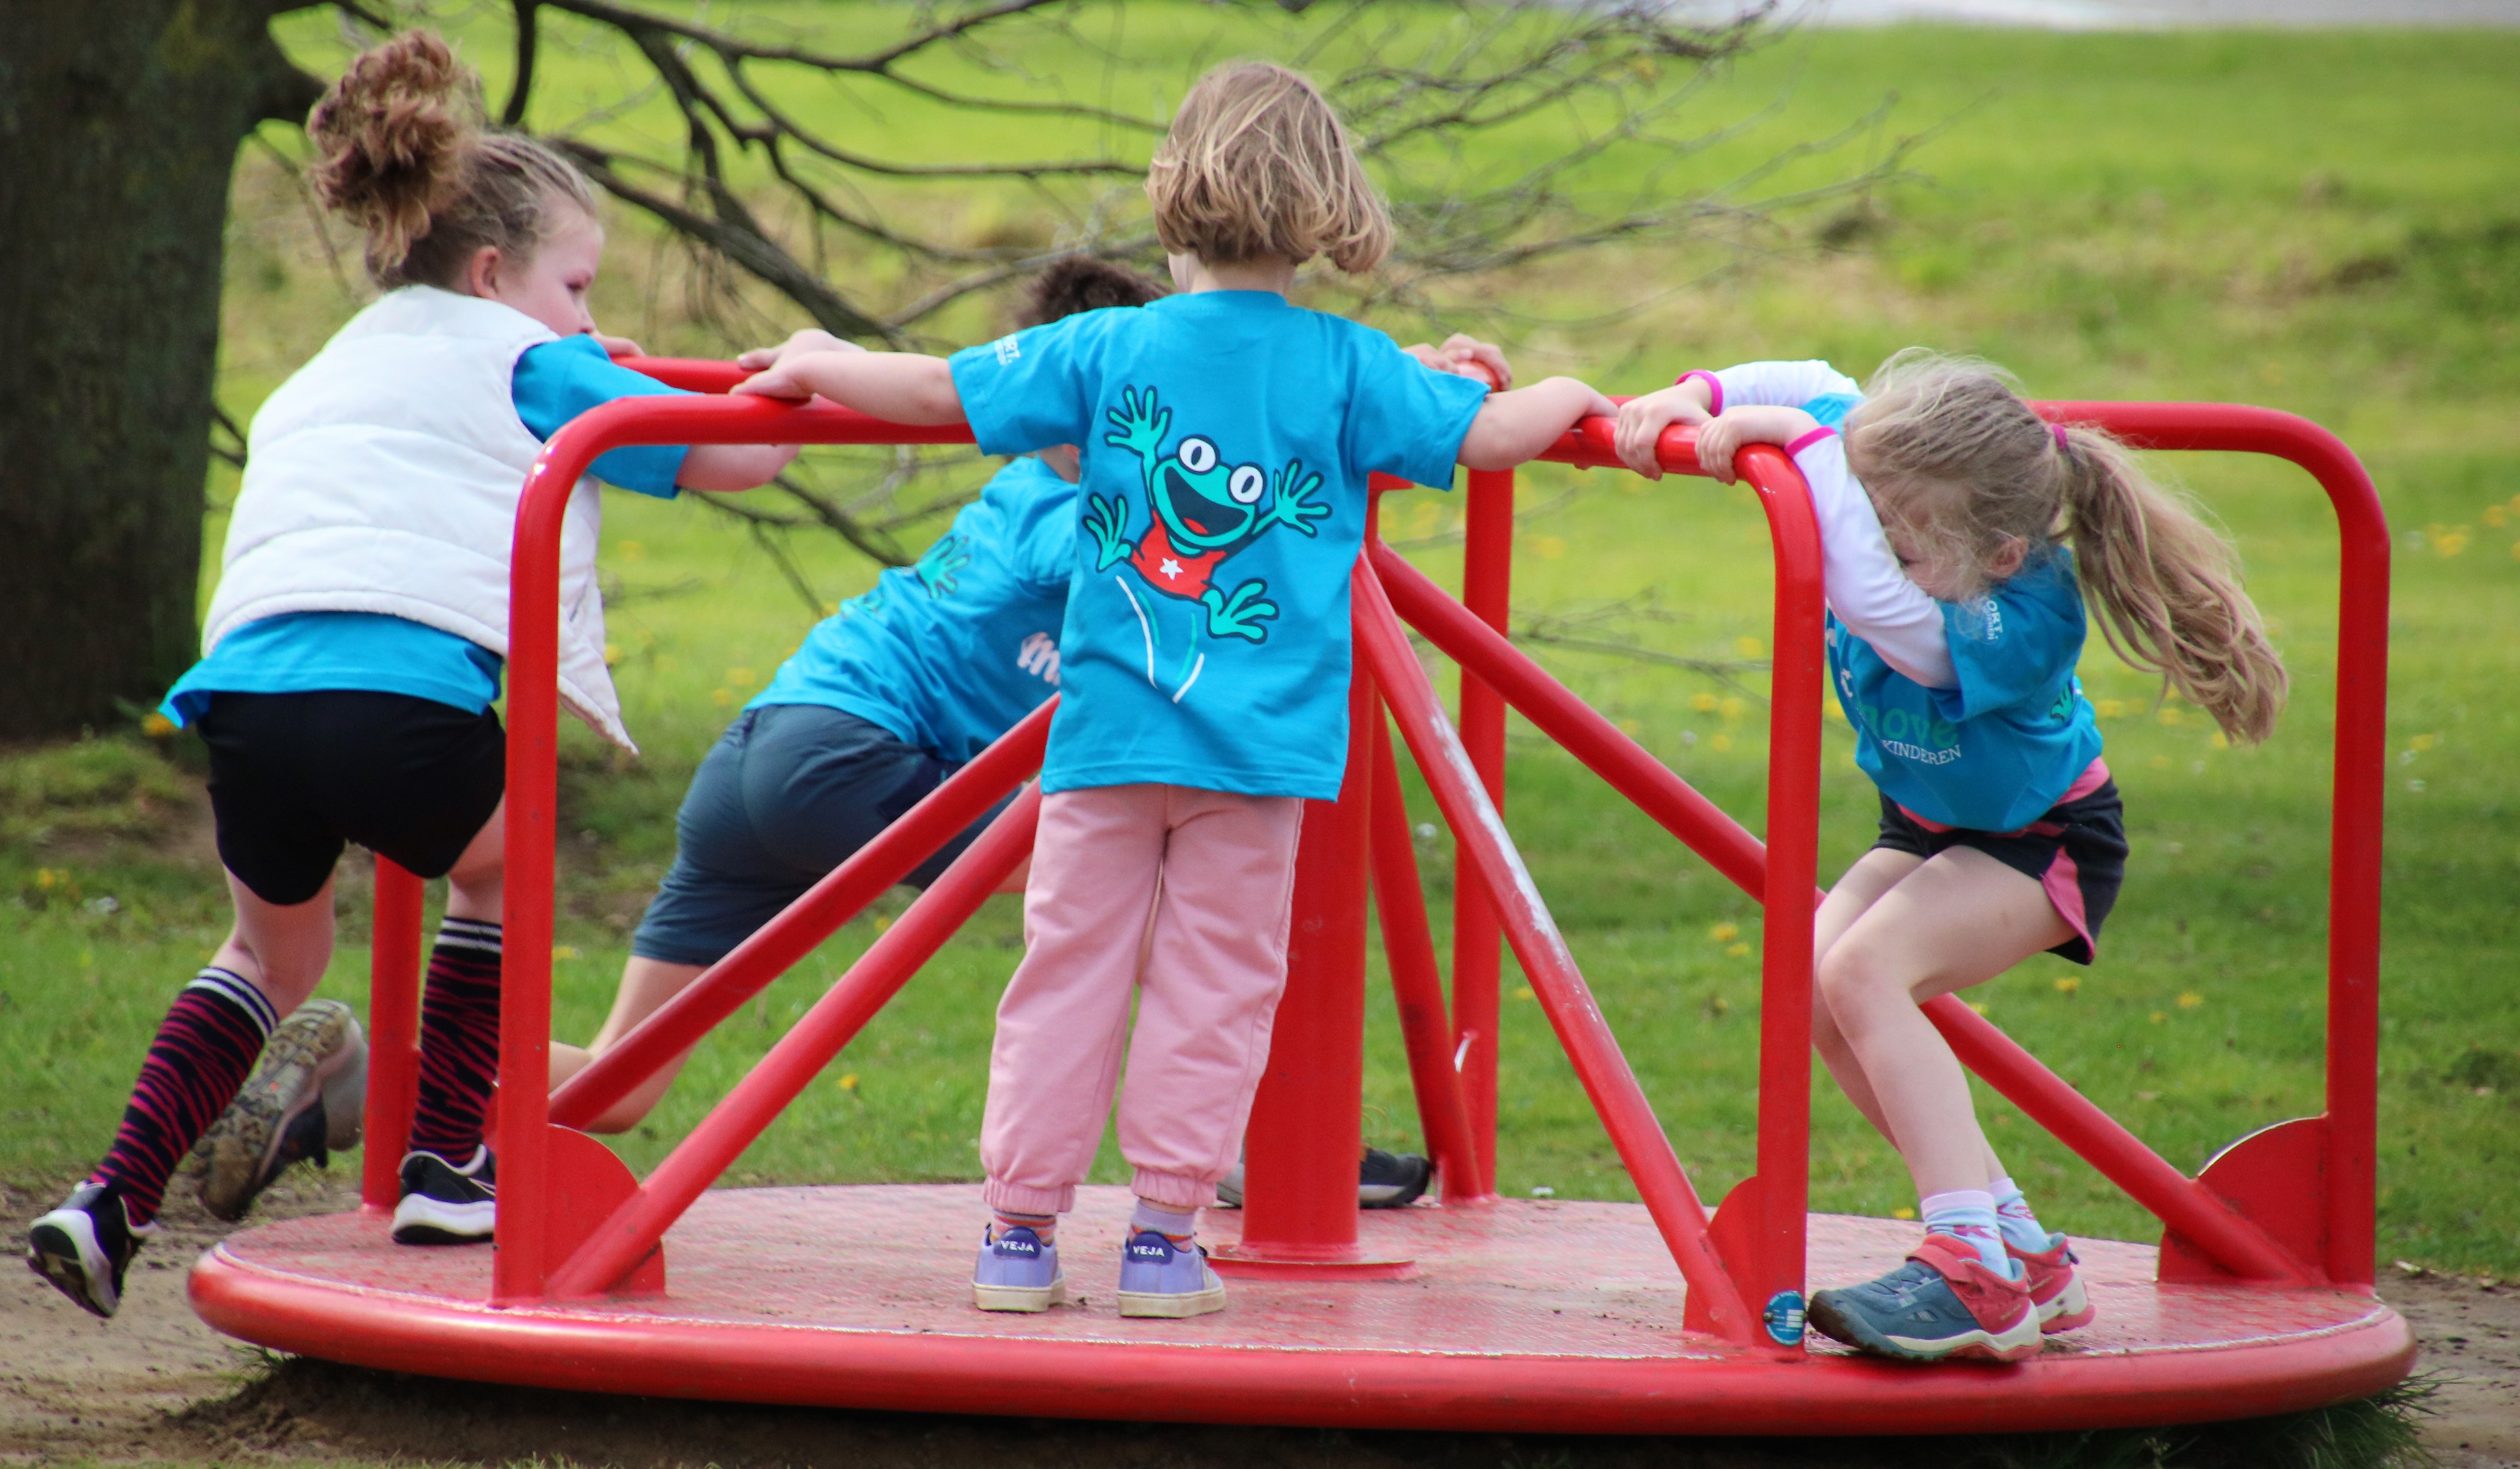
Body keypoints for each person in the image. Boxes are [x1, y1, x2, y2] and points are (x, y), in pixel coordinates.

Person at [736, 60, 1614, 1320]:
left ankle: (1019, 1235)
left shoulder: (1109, 346)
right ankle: (1163, 1237)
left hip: (1106, 740)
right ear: (1322, 208)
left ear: (1172, 190)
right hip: (1256, 765)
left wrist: (823, 358)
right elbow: (1480, 435)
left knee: (1066, 976)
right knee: (1214, 990)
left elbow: (935, 391)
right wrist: (1570, 394)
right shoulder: (1345, 367)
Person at [23, 30, 798, 1319]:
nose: (592, 322)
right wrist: (800, 369)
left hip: (247, 695)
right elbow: (735, 459)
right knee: (496, 869)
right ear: (496, 272)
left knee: (271, 953)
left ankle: (107, 1202)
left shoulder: (332, 363)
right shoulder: (533, 359)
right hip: (403, 695)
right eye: (580, 286)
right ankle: (448, 1157)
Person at [546, 255, 1483, 1212]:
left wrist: (1391, 381)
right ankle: (1263, 1144)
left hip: (760, 751)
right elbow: (1234, 507)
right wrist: (1384, 400)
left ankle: (432, 1088)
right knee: (1173, 877)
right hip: (846, 758)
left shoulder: (1027, 485)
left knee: (614, 1083)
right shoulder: (1074, 511)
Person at [1615, 353, 2286, 1363]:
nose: (1874, 555)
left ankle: (1971, 1271)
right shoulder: (1888, 459)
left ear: (2004, 553)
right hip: (1929, 825)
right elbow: (1812, 376)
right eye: (1871, 528)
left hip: (2043, 843)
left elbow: (1893, 619)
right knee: (1813, 987)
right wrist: (1701, 397)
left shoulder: (2028, 615)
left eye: (1901, 546)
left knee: (1865, 969)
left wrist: (1799, 451)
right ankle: (2028, 1254)